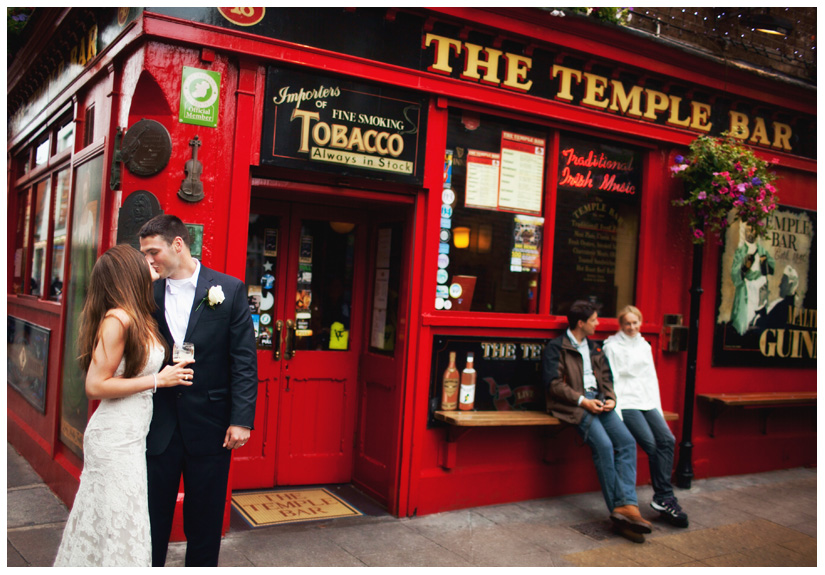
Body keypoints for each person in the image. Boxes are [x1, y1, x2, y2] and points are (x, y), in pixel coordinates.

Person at [54, 244, 194, 566]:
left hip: (131, 439)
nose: (151, 262)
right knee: (119, 526)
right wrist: (160, 380)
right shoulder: (117, 319)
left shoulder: (138, 315)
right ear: (129, 271)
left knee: (119, 524)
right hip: (113, 439)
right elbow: (95, 385)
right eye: (144, 259)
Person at [138, 214, 257, 567]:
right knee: (151, 519)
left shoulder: (229, 289)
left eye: (153, 251)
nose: (149, 260)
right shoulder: (147, 292)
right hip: (158, 425)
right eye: (144, 254)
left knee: (204, 522)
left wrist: (242, 419)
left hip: (212, 426)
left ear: (178, 245)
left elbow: (243, 362)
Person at [542, 300, 652, 543]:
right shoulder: (556, 347)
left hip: (599, 403)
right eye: (593, 320)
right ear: (581, 323)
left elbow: (606, 378)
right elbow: (554, 385)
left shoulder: (595, 348)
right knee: (603, 446)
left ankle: (627, 507)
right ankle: (620, 513)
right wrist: (583, 401)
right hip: (574, 406)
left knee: (626, 442)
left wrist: (611, 398)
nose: (598, 323)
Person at [603, 306, 689, 528]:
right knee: (651, 445)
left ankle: (663, 497)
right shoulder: (612, 346)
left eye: (635, 323)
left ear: (640, 322)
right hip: (627, 403)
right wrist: (618, 410)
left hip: (647, 402)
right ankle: (664, 496)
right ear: (620, 325)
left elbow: (651, 379)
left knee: (667, 440)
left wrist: (657, 410)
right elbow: (612, 380)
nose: (632, 327)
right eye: (627, 323)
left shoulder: (644, 346)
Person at [730, 223, 775, 335]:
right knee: (746, 315)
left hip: (760, 287)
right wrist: (744, 268)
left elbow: (772, 267)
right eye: (748, 230)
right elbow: (734, 274)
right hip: (746, 288)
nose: (750, 233)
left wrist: (764, 262)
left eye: (753, 230)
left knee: (759, 316)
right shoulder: (741, 251)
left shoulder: (761, 250)